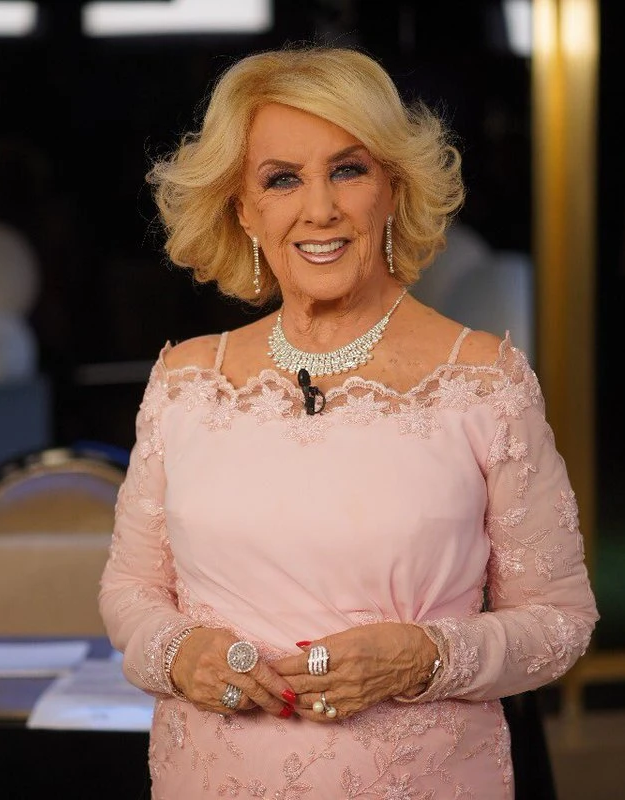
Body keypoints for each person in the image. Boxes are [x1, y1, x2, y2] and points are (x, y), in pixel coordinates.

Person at [99, 44, 598, 798]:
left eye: (348, 170)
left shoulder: (484, 381)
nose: (320, 209)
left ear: (393, 187)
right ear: (244, 208)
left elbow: (560, 621)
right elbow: (130, 591)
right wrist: (177, 653)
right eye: (282, 179)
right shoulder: (185, 382)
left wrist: (421, 659)